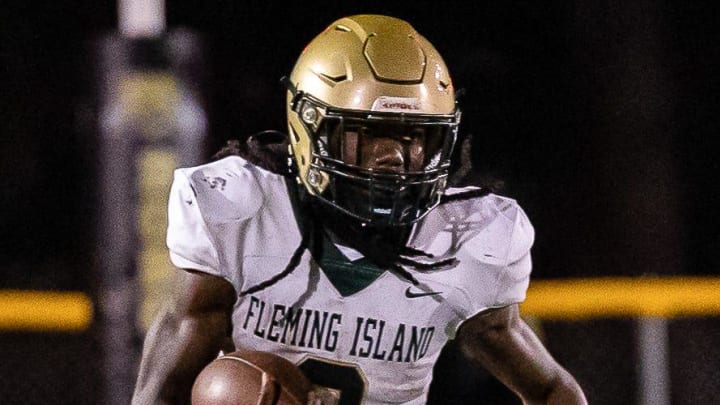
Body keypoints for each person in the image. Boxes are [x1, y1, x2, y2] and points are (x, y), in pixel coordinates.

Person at [132, 14, 587, 405]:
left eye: (415, 135)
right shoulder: (241, 212)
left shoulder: (463, 239)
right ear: (311, 128)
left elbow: (551, 390)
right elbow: (161, 393)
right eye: (372, 133)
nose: (395, 157)